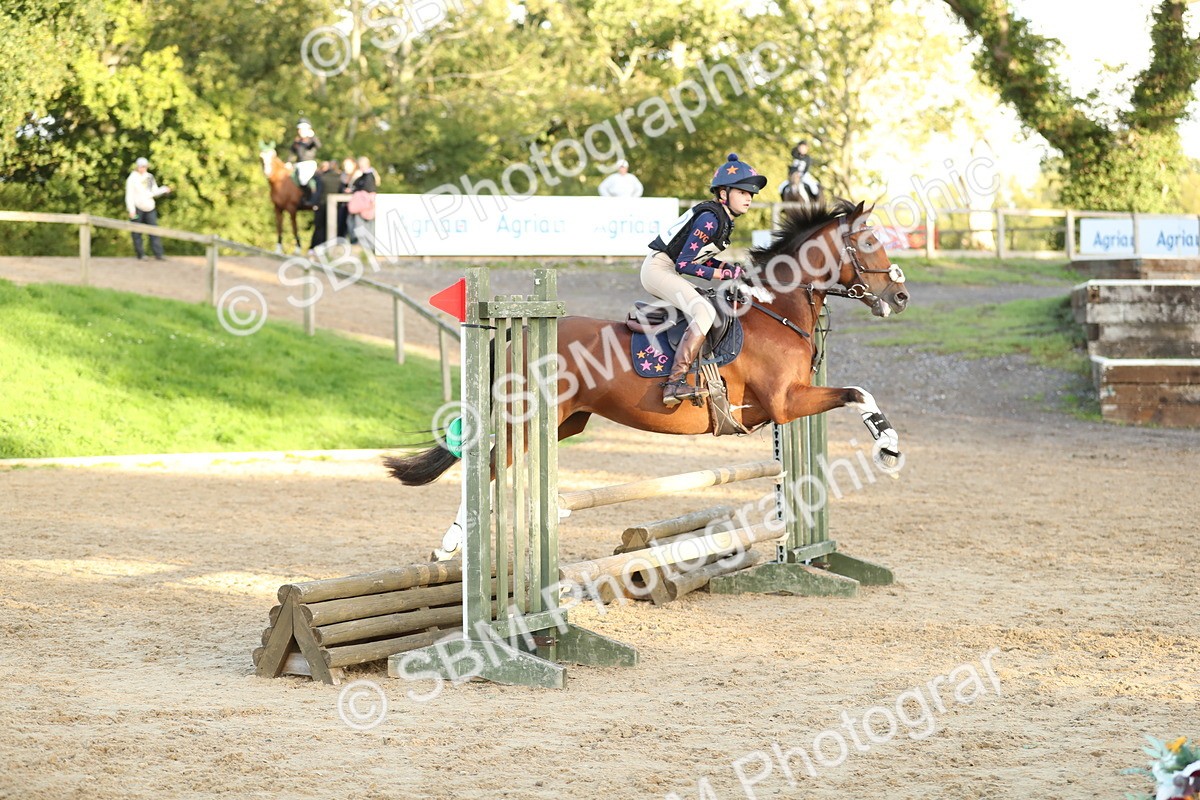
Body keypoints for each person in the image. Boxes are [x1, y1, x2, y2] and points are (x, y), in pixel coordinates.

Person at [642, 153, 765, 407]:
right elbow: (684, 264)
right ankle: (674, 383)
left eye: (751, 194)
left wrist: (729, 268)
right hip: (658, 269)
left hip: (666, 269)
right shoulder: (710, 219)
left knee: (710, 303)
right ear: (723, 193)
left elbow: (701, 259)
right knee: (705, 311)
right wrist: (725, 274)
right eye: (742, 192)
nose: (748, 198)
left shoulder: (721, 219)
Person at [124, 157, 171, 261]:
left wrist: (164, 189)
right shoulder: (132, 179)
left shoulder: (149, 177)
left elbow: (153, 191)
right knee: (137, 232)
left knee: (154, 231)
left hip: (149, 207)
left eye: (145, 166)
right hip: (137, 209)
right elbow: (129, 195)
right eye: (141, 166)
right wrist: (131, 210)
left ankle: (158, 254)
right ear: (137, 167)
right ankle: (140, 254)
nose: (143, 168)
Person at [310, 161, 344, 250]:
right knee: (332, 228)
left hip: (321, 205)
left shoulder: (322, 178)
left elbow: (318, 193)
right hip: (335, 207)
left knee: (319, 227)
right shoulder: (340, 179)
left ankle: (315, 248)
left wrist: (314, 203)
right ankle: (329, 248)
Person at [289, 118, 321, 208]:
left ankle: (311, 199)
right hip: (298, 165)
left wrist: (313, 136)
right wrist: (288, 162)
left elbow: (318, 145)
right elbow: (291, 153)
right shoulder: (297, 142)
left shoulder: (311, 140)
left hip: (309, 164)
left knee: (305, 181)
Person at [348, 155, 379, 244]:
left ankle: (363, 244)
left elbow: (366, 188)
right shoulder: (364, 175)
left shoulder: (369, 176)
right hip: (363, 205)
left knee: (364, 225)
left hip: (365, 205)